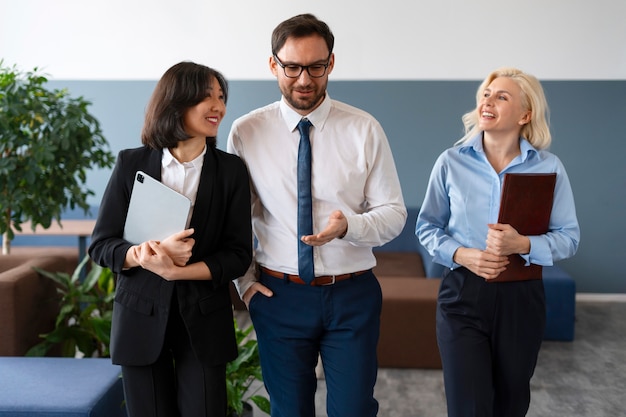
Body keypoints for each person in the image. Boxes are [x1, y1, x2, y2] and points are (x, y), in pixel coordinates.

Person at [227, 13, 406, 417]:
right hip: (278, 295)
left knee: (354, 410)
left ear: (331, 63)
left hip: (352, 294)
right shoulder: (245, 132)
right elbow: (234, 221)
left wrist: (350, 227)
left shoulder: (364, 129)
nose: (304, 79)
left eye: (316, 67)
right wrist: (246, 285)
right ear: (273, 64)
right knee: (289, 411)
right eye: (291, 67)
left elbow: (394, 215)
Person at [88, 61, 252, 417]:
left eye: (221, 97)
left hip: (204, 321)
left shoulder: (231, 171)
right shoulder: (132, 163)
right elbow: (101, 245)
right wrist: (147, 254)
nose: (218, 107)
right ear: (176, 104)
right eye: (206, 97)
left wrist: (177, 271)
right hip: (139, 317)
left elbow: (238, 255)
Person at [416, 67, 580, 417]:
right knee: (468, 407)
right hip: (462, 294)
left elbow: (569, 238)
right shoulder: (451, 161)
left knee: (511, 404)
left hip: (522, 298)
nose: (487, 101)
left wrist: (523, 244)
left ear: (525, 114)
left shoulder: (549, 168)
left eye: (501, 96)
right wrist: (463, 255)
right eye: (486, 95)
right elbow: (427, 227)